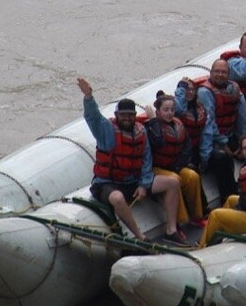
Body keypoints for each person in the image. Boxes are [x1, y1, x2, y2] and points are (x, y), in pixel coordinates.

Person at [77, 78, 181, 242]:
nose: (127, 118)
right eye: (123, 115)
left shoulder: (140, 131)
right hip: (107, 183)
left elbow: (146, 160)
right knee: (117, 198)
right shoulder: (107, 131)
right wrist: (89, 98)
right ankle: (140, 236)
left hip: (133, 181)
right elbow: (93, 118)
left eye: (130, 115)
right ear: (117, 115)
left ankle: (171, 229)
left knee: (173, 183)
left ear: (134, 116)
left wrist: (143, 184)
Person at [181, 58, 246, 200]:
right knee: (222, 158)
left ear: (229, 74)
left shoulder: (234, 89)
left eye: (224, 72)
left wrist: (245, 141)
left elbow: (243, 118)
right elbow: (209, 125)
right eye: (217, 71)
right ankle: (229, 196)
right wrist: (224, 146)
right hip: (212, 140)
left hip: (229, 133)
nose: (220, 75)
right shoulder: (205, 93)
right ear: (211, 73)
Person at [144, 92, 205, 228]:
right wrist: (153, 120)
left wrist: (178, 165)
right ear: (158, 111)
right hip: (157, 168)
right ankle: (180, 220)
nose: (169, 113)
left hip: (175, 165)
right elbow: (158, 141)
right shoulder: (151, 127)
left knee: (192, 176)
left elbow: (187, 147)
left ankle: (197, 216)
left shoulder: (178, 124)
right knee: (174, 180)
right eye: (165, 110)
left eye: (172, 110)